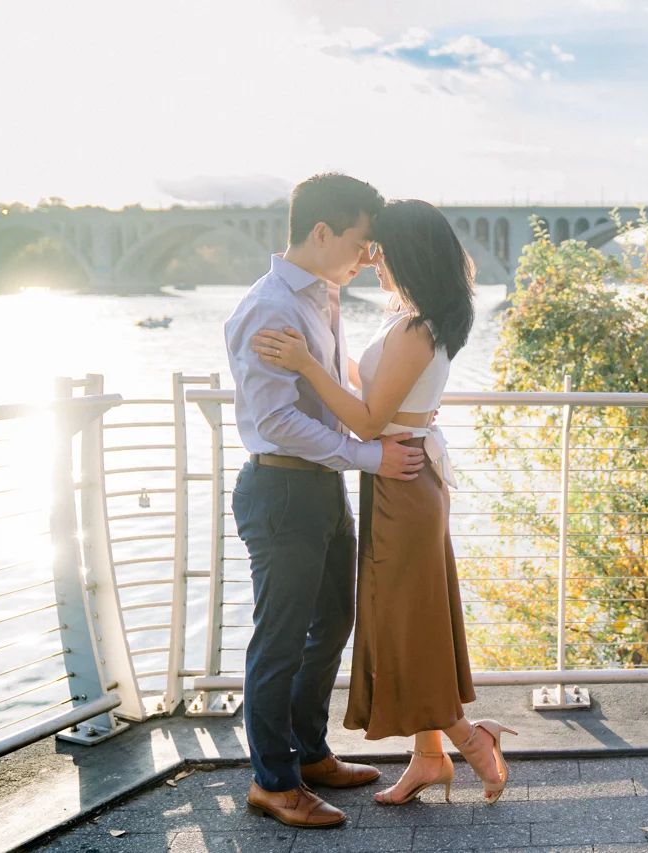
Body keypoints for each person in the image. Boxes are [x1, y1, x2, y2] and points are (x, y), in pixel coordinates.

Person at [251, 199, 517, 809]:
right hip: (399, 479)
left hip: (402, 483)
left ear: (410, 256)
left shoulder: (418, 327)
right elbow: (376, 391)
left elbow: (369, 423)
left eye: (383, 252)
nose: (373, 262)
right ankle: (428, 759)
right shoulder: (419, 318)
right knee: (412, 623)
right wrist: (328, 359)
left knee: (402, 626)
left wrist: (305, 365)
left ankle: (474, 741)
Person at [224, 174, 427, 829]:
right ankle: (274, 782)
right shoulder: (270, 307)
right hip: (281, 488)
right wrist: (369, 455)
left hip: (319, 487)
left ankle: (308, 752)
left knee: (333, 622)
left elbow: (334, 391)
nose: (368, 256)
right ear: (321, 232)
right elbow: (277, 421)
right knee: (279, 642)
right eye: (361, 241)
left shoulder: (322, 297)